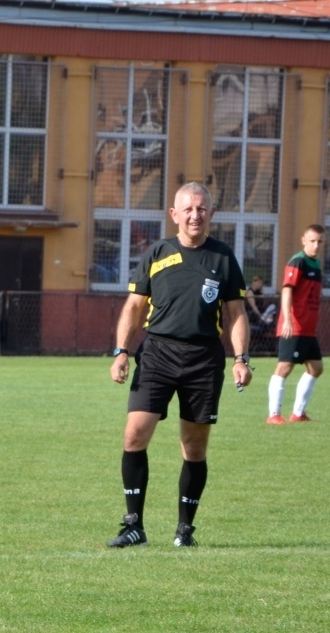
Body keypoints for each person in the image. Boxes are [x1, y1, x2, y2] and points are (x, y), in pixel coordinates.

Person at [107, 182, 251, 549]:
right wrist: (121, 351)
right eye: (187, 209)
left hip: (204, 359)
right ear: (174, 215)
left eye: (201, 208)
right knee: (134, 434)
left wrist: (241, 358)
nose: (194, 215)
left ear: (211, 214)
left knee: (194, 448)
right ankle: (133, 525)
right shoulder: (157, 252)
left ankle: (185, 529)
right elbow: (134, 307)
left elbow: (236, 313)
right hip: (157, 353)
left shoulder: (223, 258)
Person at [268, 225, 326, 424]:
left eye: (319, 241)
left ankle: (298, 414)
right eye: (312, 241)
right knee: (284, 367)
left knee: (316, 367)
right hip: (294, 326)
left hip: (308, 329)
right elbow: (287, 290)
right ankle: (273, 415)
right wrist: (288, 320)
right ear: (303, 240)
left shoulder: (316, 263)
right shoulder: (298, 261)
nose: (316, 245)